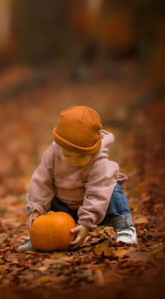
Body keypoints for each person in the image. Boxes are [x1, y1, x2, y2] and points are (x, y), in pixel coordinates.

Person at [17, 106, 137, 252]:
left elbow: (97, 193)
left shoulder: (98, 163)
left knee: (113, 189)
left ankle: (125, 227)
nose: (73, 161)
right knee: (44, 196)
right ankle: (41, 239)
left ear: (93, 150)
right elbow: (41, 181)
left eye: (80, 157)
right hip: (65, 206)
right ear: (59, 146)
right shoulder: (53, 154)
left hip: (99, 207)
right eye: (67, 155)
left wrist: (86, 223)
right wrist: (36, 210)